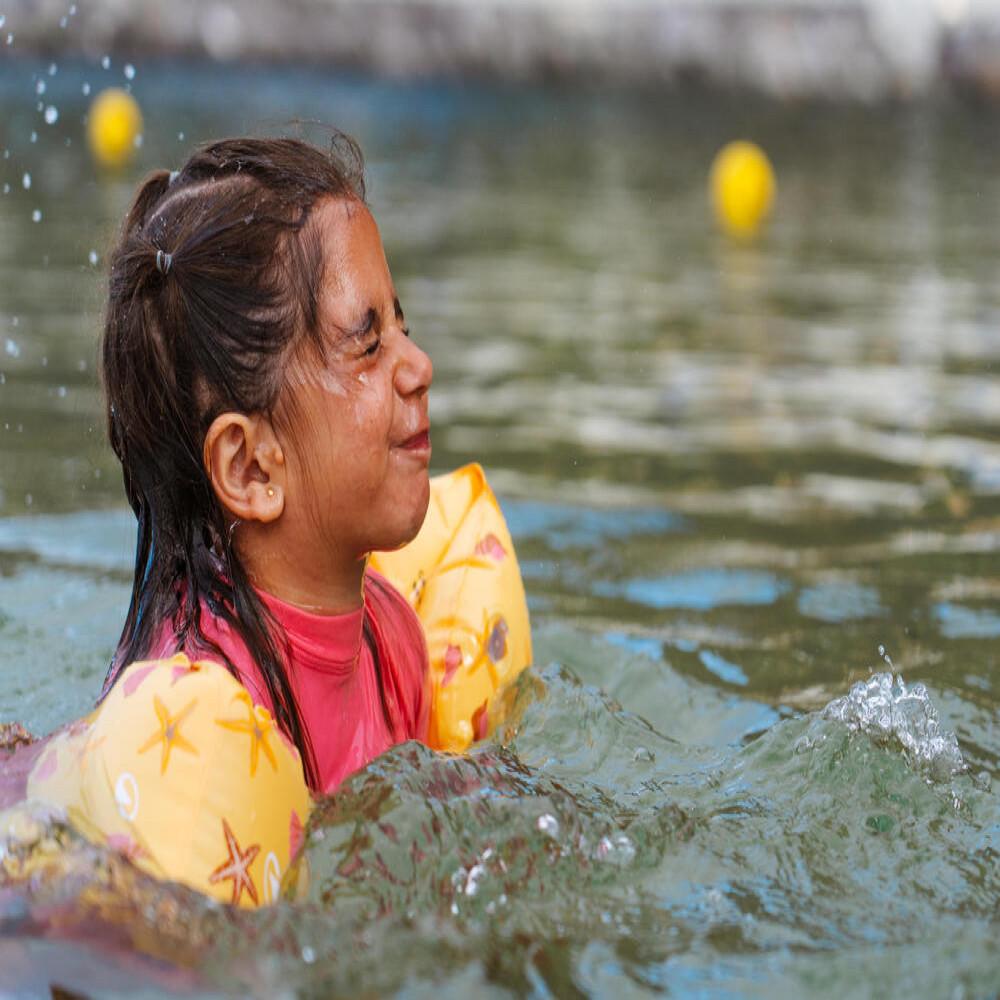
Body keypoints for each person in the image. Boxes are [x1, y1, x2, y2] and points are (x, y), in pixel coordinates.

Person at [99, 134, 434, 794]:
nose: (420, 367)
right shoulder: (197, 728)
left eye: (403, 328)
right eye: (368, 346)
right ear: (251, 468)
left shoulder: (394, 642)